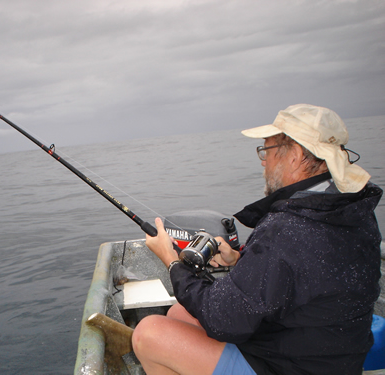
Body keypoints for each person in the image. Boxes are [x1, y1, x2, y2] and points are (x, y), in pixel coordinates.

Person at [132, 104, 383, 375]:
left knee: (149, 334)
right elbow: (308, 272)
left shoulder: (288, 227)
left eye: (268, 150)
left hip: (293, 365)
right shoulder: (348, 210)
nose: (263, 160)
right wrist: (241, 260)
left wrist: (171, 261)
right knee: (178, 314)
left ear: (296, 156)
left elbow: (223, 320)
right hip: (332, 356)